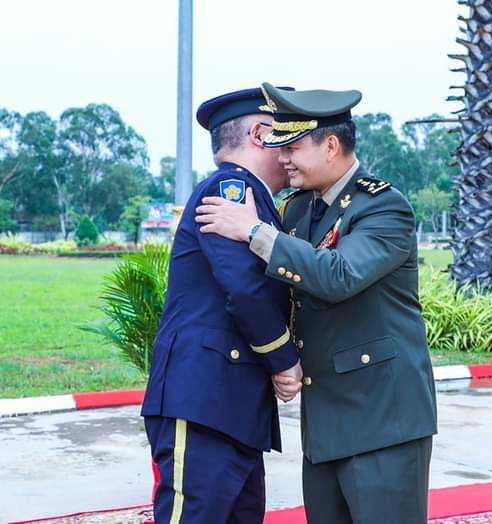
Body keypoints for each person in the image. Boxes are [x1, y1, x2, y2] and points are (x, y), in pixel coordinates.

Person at [195, 83, 438, 524]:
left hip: (383, 422)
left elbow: (339, 275)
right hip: (325, 424)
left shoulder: (384, 207)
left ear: (330, 146)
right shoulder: (299, 209)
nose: (282, 157)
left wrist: (254, 231)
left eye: (292, 147)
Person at [141, 87, 303, 524]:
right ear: (260, 134)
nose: (294, 150)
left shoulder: (257, 201)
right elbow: (245, 286)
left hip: (227, 400)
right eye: (288, 137)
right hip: (203, 397)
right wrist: (284, 360)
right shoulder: (231, 191)